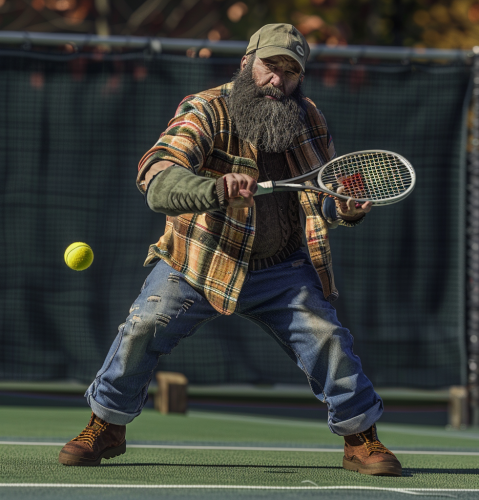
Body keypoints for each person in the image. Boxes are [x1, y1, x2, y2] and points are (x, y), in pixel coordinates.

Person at [58, 23, 402, 477]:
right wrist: (215, 189)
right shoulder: (204, 109)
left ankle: (360, 439)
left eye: (290, 72)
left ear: (300, 78)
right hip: (197, 261)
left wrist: (347, 207)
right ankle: (105, 426)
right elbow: (157, 176)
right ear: (246, 63)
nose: (277, 80)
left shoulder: (309, 119)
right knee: (141, 328)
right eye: (269, 66)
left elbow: (322, 200)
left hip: (282, 266)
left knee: (328, 339)